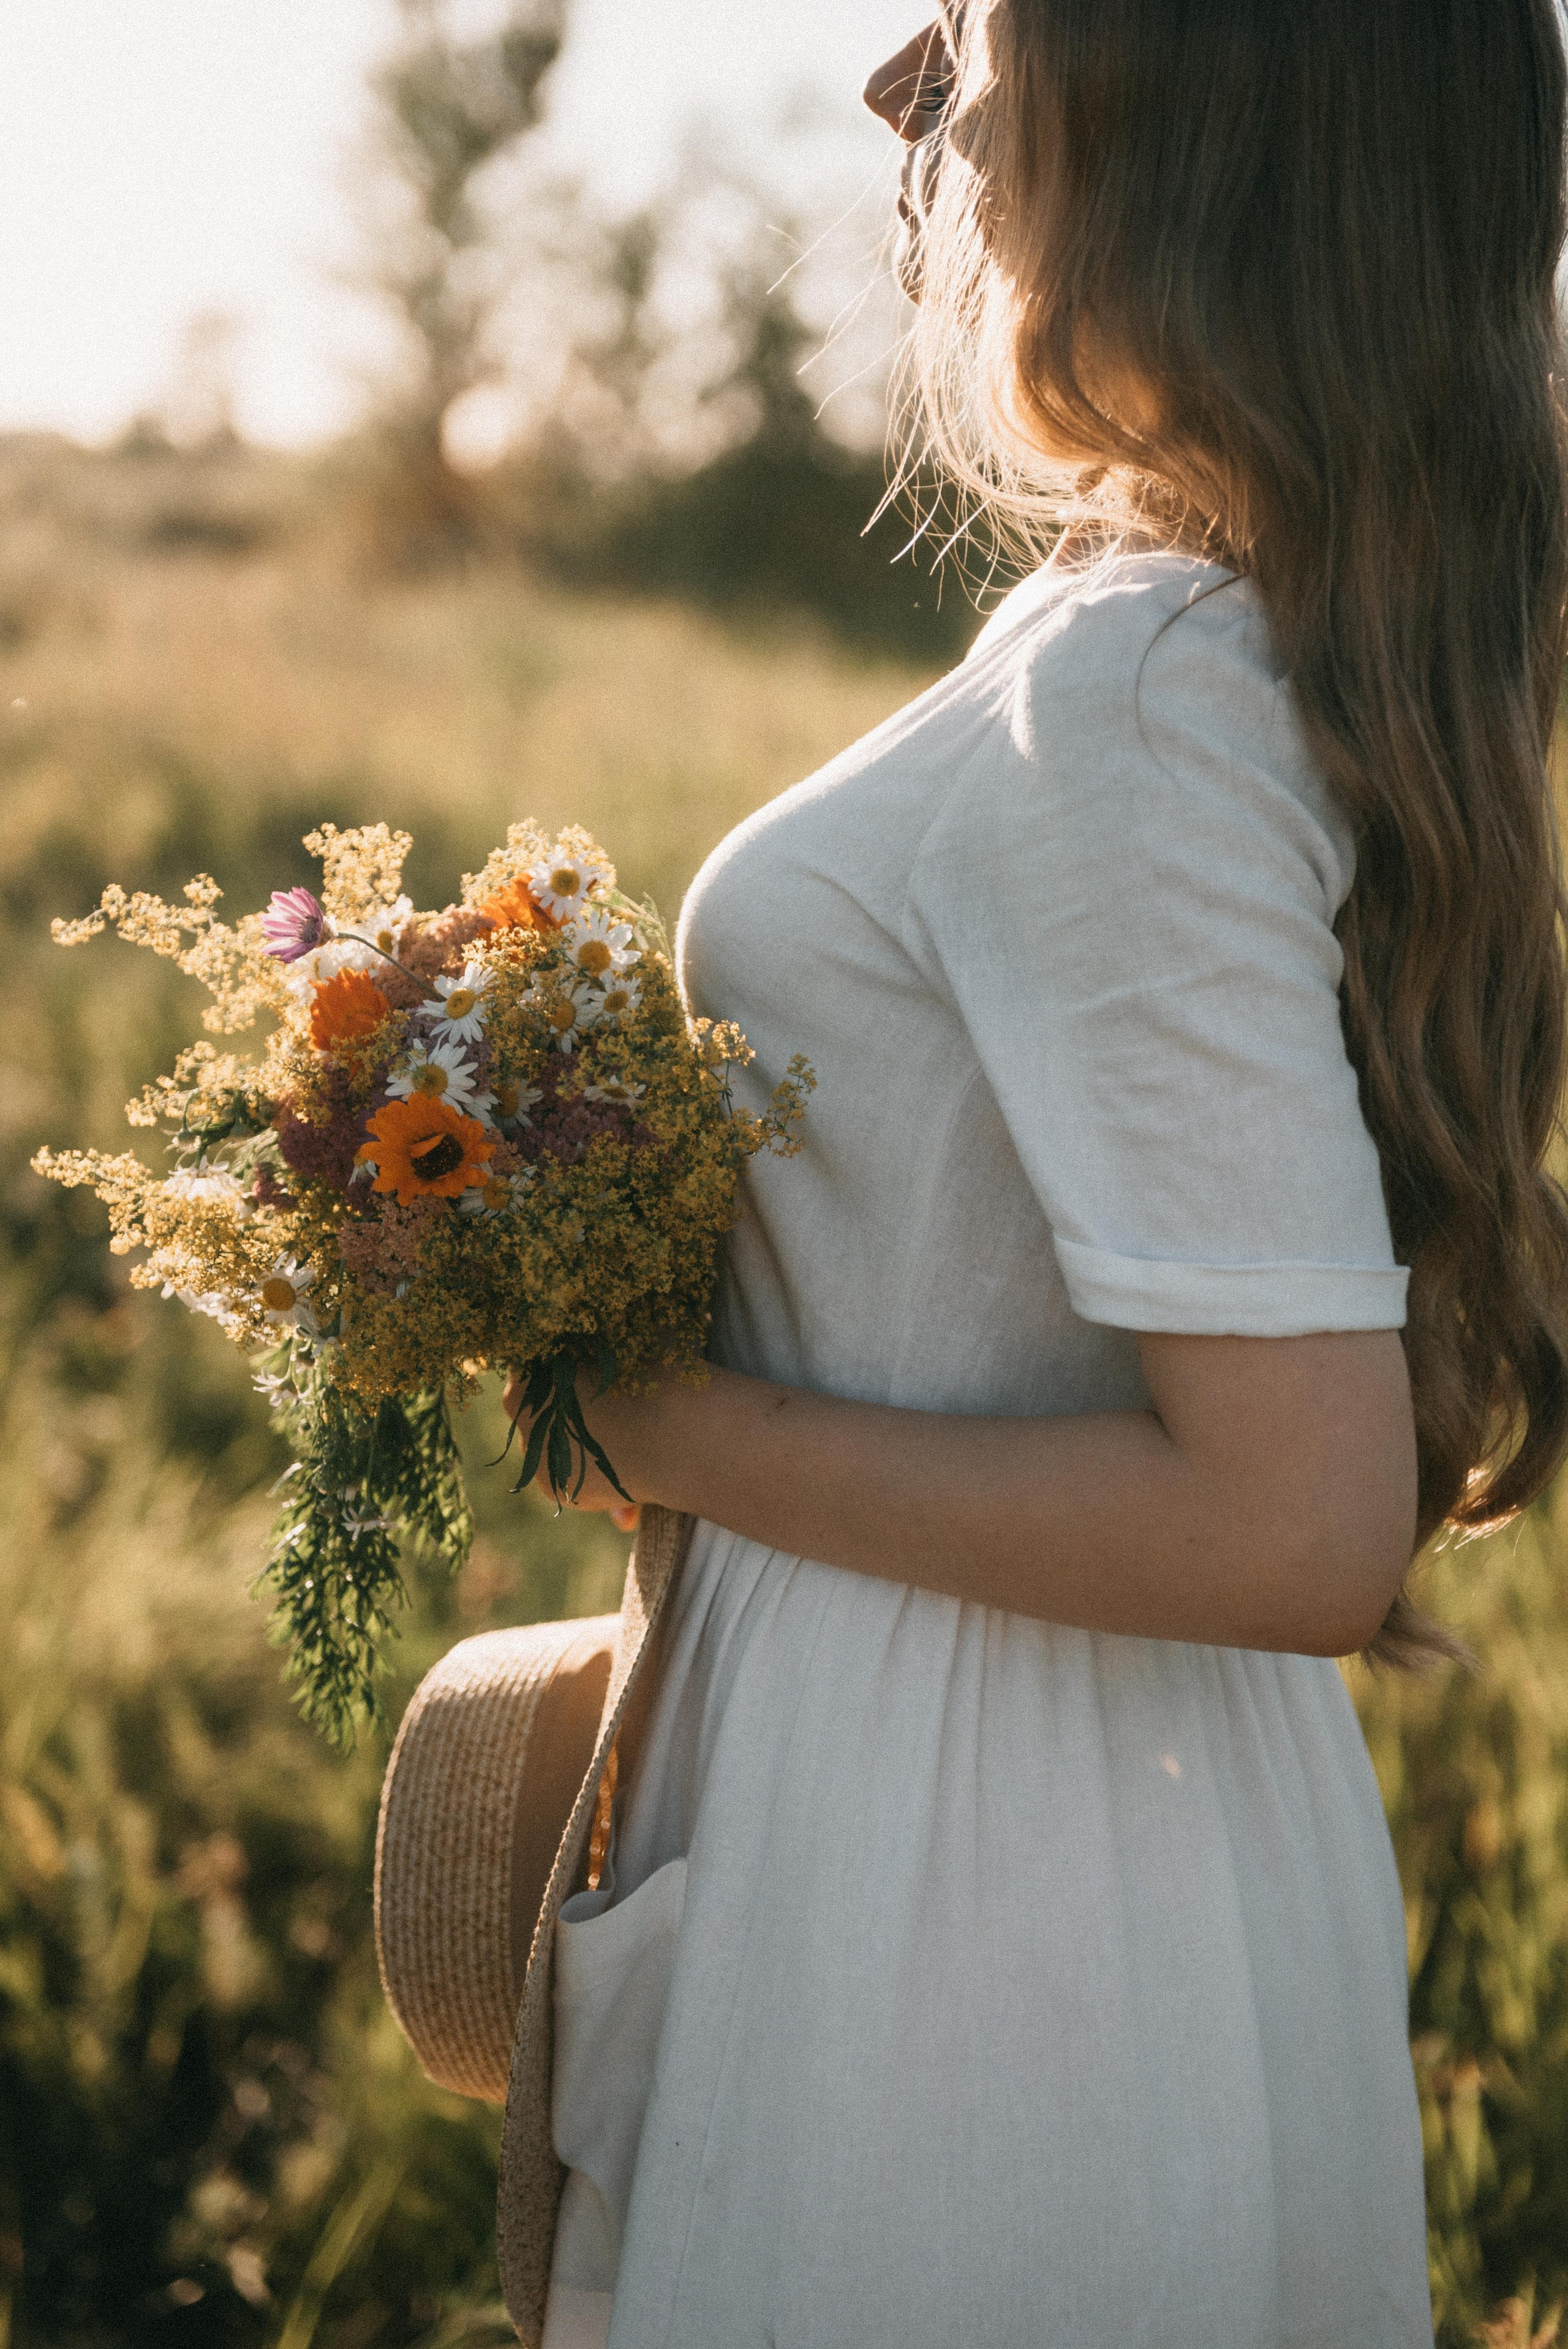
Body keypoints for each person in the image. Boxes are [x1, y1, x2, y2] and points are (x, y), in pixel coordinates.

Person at [522, 3, 1568, 2342]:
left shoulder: (1136, 694)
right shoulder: (1218, 649)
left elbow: (1295, 1522)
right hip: (1044, 1811)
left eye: (978, 30)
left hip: (974, 1897)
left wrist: (669, 1421)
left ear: (1190, 123)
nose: (920, 98)